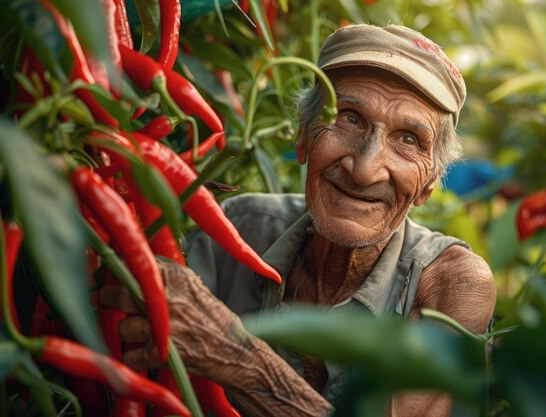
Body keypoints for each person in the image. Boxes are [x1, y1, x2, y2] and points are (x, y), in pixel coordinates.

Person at [101, 23, 497, 417]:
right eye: (349, 118)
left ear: (428, 185)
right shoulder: (239, 226)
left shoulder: (452, 284)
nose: (364, 169)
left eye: (408, 139)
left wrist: (238, 357)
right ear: (304, 137)